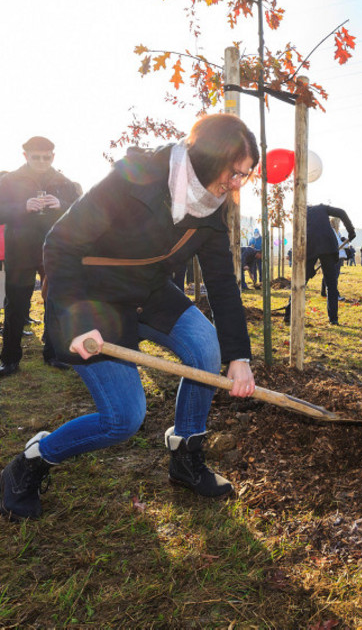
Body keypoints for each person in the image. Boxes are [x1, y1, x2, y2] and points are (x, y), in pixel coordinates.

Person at [0, 113, 259, 522]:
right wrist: (76, 318)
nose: (238, 183)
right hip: (92, 301)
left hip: (149, 293)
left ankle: (186, 457)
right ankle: (30, 462)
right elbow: (60, 244)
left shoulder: (212, 206)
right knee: (122, 419)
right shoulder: (134, 177)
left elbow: (223, 282)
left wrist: (238, 356)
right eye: (236, 171)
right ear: (209, 156)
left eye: (246, 175)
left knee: (205, 345)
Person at [0, 137, 79, 376]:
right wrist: (22, 207)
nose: (42, 161)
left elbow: (81, 214)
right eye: (36, 157)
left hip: (54, 250)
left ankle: (54, 353)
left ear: (53, 156)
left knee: (56, 301)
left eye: (47, 157)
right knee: (16, 302)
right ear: (25, 156)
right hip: (20, 250)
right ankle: (10, 358)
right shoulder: (9, 181)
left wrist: (63, 204)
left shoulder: (64, 181)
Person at [284, 204, 355, 326]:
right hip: (328, 246)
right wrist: (351, 231)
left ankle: (288, 314)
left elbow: (298, 238)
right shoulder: (321, 208)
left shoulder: (300, 214)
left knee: (301, 281)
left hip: (310, 247)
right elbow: (342, 211)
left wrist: (307, 266)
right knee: (331, 284)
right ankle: (333, 319)